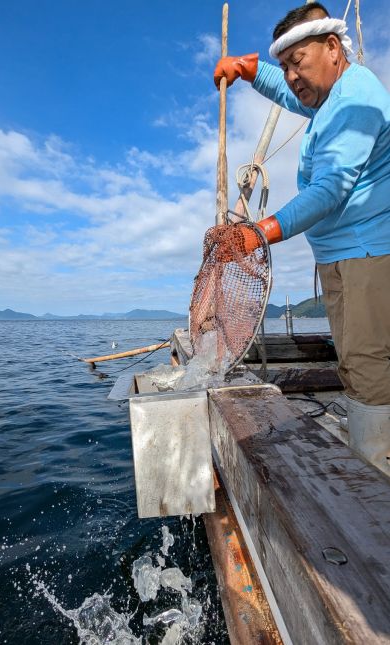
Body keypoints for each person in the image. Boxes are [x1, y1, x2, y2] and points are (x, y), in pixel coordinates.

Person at [213, 2, 390, 476]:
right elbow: (297, 98)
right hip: (345, 255)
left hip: (367, 255)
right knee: (353, 363)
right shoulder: (329, 95)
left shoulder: (355, 99)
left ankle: (376, 482)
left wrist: (259, 232)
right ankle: (369, 459)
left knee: (369, 367)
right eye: (285, 66)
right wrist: (253, 72)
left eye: (299, 62)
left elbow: (329, 190)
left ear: (333, 47)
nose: (291, 76)